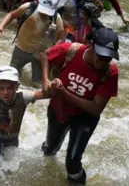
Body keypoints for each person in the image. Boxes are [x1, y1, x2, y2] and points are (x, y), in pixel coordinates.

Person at [40, 27, 120, 185]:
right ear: (90, 45)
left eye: (109, 58)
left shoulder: (110, 73)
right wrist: (45, 82)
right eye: (101, 55)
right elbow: (45, 55)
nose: (104, 61)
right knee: (50, 149)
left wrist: (64, 92)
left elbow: (96, 108)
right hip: (59, 109)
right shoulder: (70, 51)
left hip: (84, 118)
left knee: (72, 162)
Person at [0, 0, 66, 86]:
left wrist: (52, 50)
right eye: (43, 11)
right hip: (22, 48)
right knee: (12, 75)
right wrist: (1, 26)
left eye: (48, 12)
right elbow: (12, 15)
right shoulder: (29, 8)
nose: (44, 14)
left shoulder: (57, 18)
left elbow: (61, 38)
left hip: (41, 54)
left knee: (37, 83)